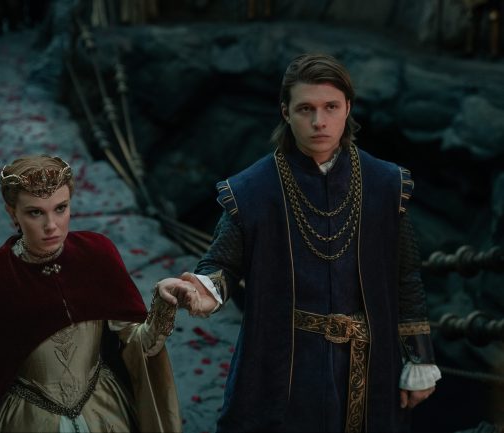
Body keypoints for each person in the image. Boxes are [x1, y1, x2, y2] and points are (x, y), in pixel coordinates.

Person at [157, 53, 441, 432]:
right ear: (286, 112)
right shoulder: (252, 189)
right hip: (282, 362)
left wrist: (419, 358)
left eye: (330, 107)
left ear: (347, 108)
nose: (319, 121)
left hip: (370, 362)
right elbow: (221, 265)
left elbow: (406, 276)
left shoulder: (386, 184)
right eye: (306, 108)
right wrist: (202, 291)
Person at [0, 155, 182, 432]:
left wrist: (163, 304)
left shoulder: (97, 254)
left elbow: (138, 345)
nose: (51, 225)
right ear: (12, 213)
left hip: (105, 412)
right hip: (28, 421)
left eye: (60, 208)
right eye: (35, 212)